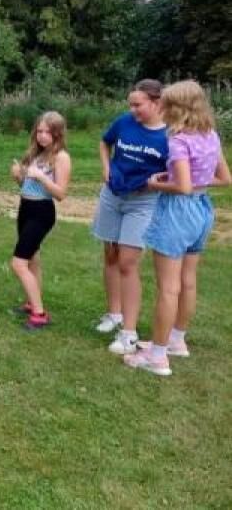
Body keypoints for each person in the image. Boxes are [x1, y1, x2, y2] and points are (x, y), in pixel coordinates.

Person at [124, 80, 231, 376]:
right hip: (202, 209)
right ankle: (176, 340)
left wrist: (156, 183)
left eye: (166, 103)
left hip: (176, 213)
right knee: (188, 281)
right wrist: (187, 180)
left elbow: (182, 187)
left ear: (178, 107)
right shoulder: (210, 135)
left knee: (168, 288)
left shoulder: (179, 141)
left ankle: (157, 358)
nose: (162, 107)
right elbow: (224, 178)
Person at [91, 80, 169, 355]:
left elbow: (176, 171)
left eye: (138, 105)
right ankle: (114, 314)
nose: (132, 110)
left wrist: (159, 181)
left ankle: (129, 333)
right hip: (113, 195)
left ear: (156, 103)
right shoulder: (124, 122)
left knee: (128, 262)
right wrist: (106, 167)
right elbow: (105, 142)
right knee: (111, 254)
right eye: (131, 104)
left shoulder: (170, 135)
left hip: (143, 201)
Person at [9, 112, 72, 330]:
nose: (42, 136)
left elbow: (61, 193)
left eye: (47, 132)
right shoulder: (37, 153)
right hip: (26, 208)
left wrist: (41, 176)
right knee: (32, 259)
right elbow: (28, 186)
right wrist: (19, 177)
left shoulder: (61, 157)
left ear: (58, 134)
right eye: (39, 131)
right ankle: (31, 303)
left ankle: (39, 315)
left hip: (41, 212)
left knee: (18, 263)